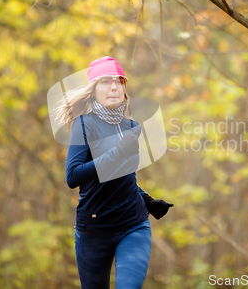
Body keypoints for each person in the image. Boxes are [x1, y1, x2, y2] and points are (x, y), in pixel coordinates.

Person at [55, 56, 174, 289]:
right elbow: (73, 176)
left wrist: (146, 200)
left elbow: (123, 175)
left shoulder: (131, 127)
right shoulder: (84, 125)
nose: (113, 86)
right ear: (93, 91)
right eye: (105, 81)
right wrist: (118, 152)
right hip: (94, 230)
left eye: (119, 81)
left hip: (133, 224)